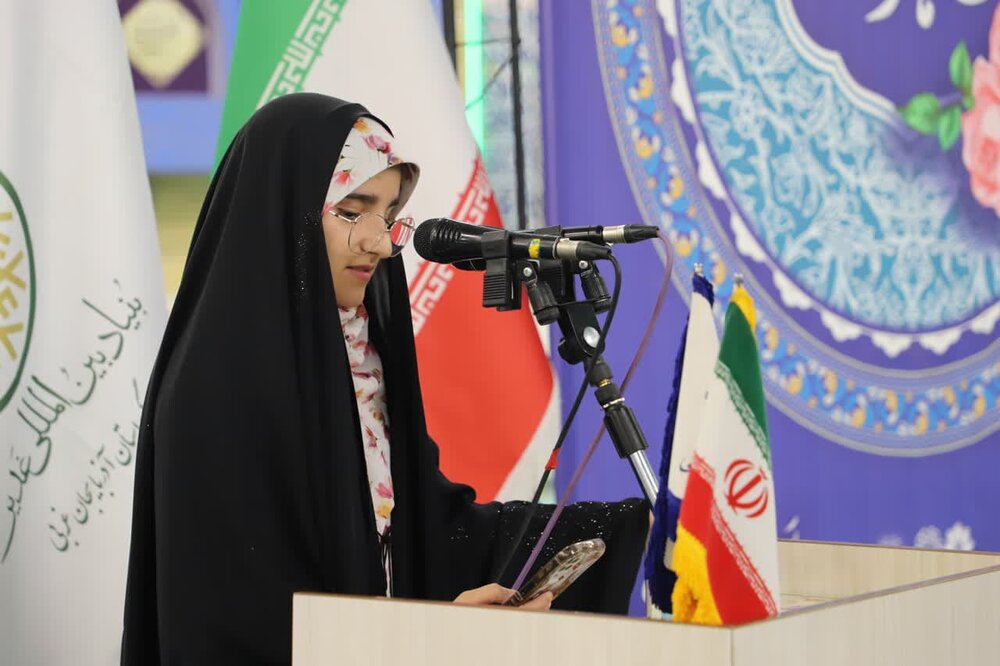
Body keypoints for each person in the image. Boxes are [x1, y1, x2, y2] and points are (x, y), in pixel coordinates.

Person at [121, 93, 648, 665]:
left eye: (390, 215)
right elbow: (243, 629)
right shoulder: (214, 396)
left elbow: (430, 533)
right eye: (352, 211)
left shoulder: (361, 359)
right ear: (282, 213)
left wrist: (627, 527)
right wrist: (431, 640)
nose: (379, 241)